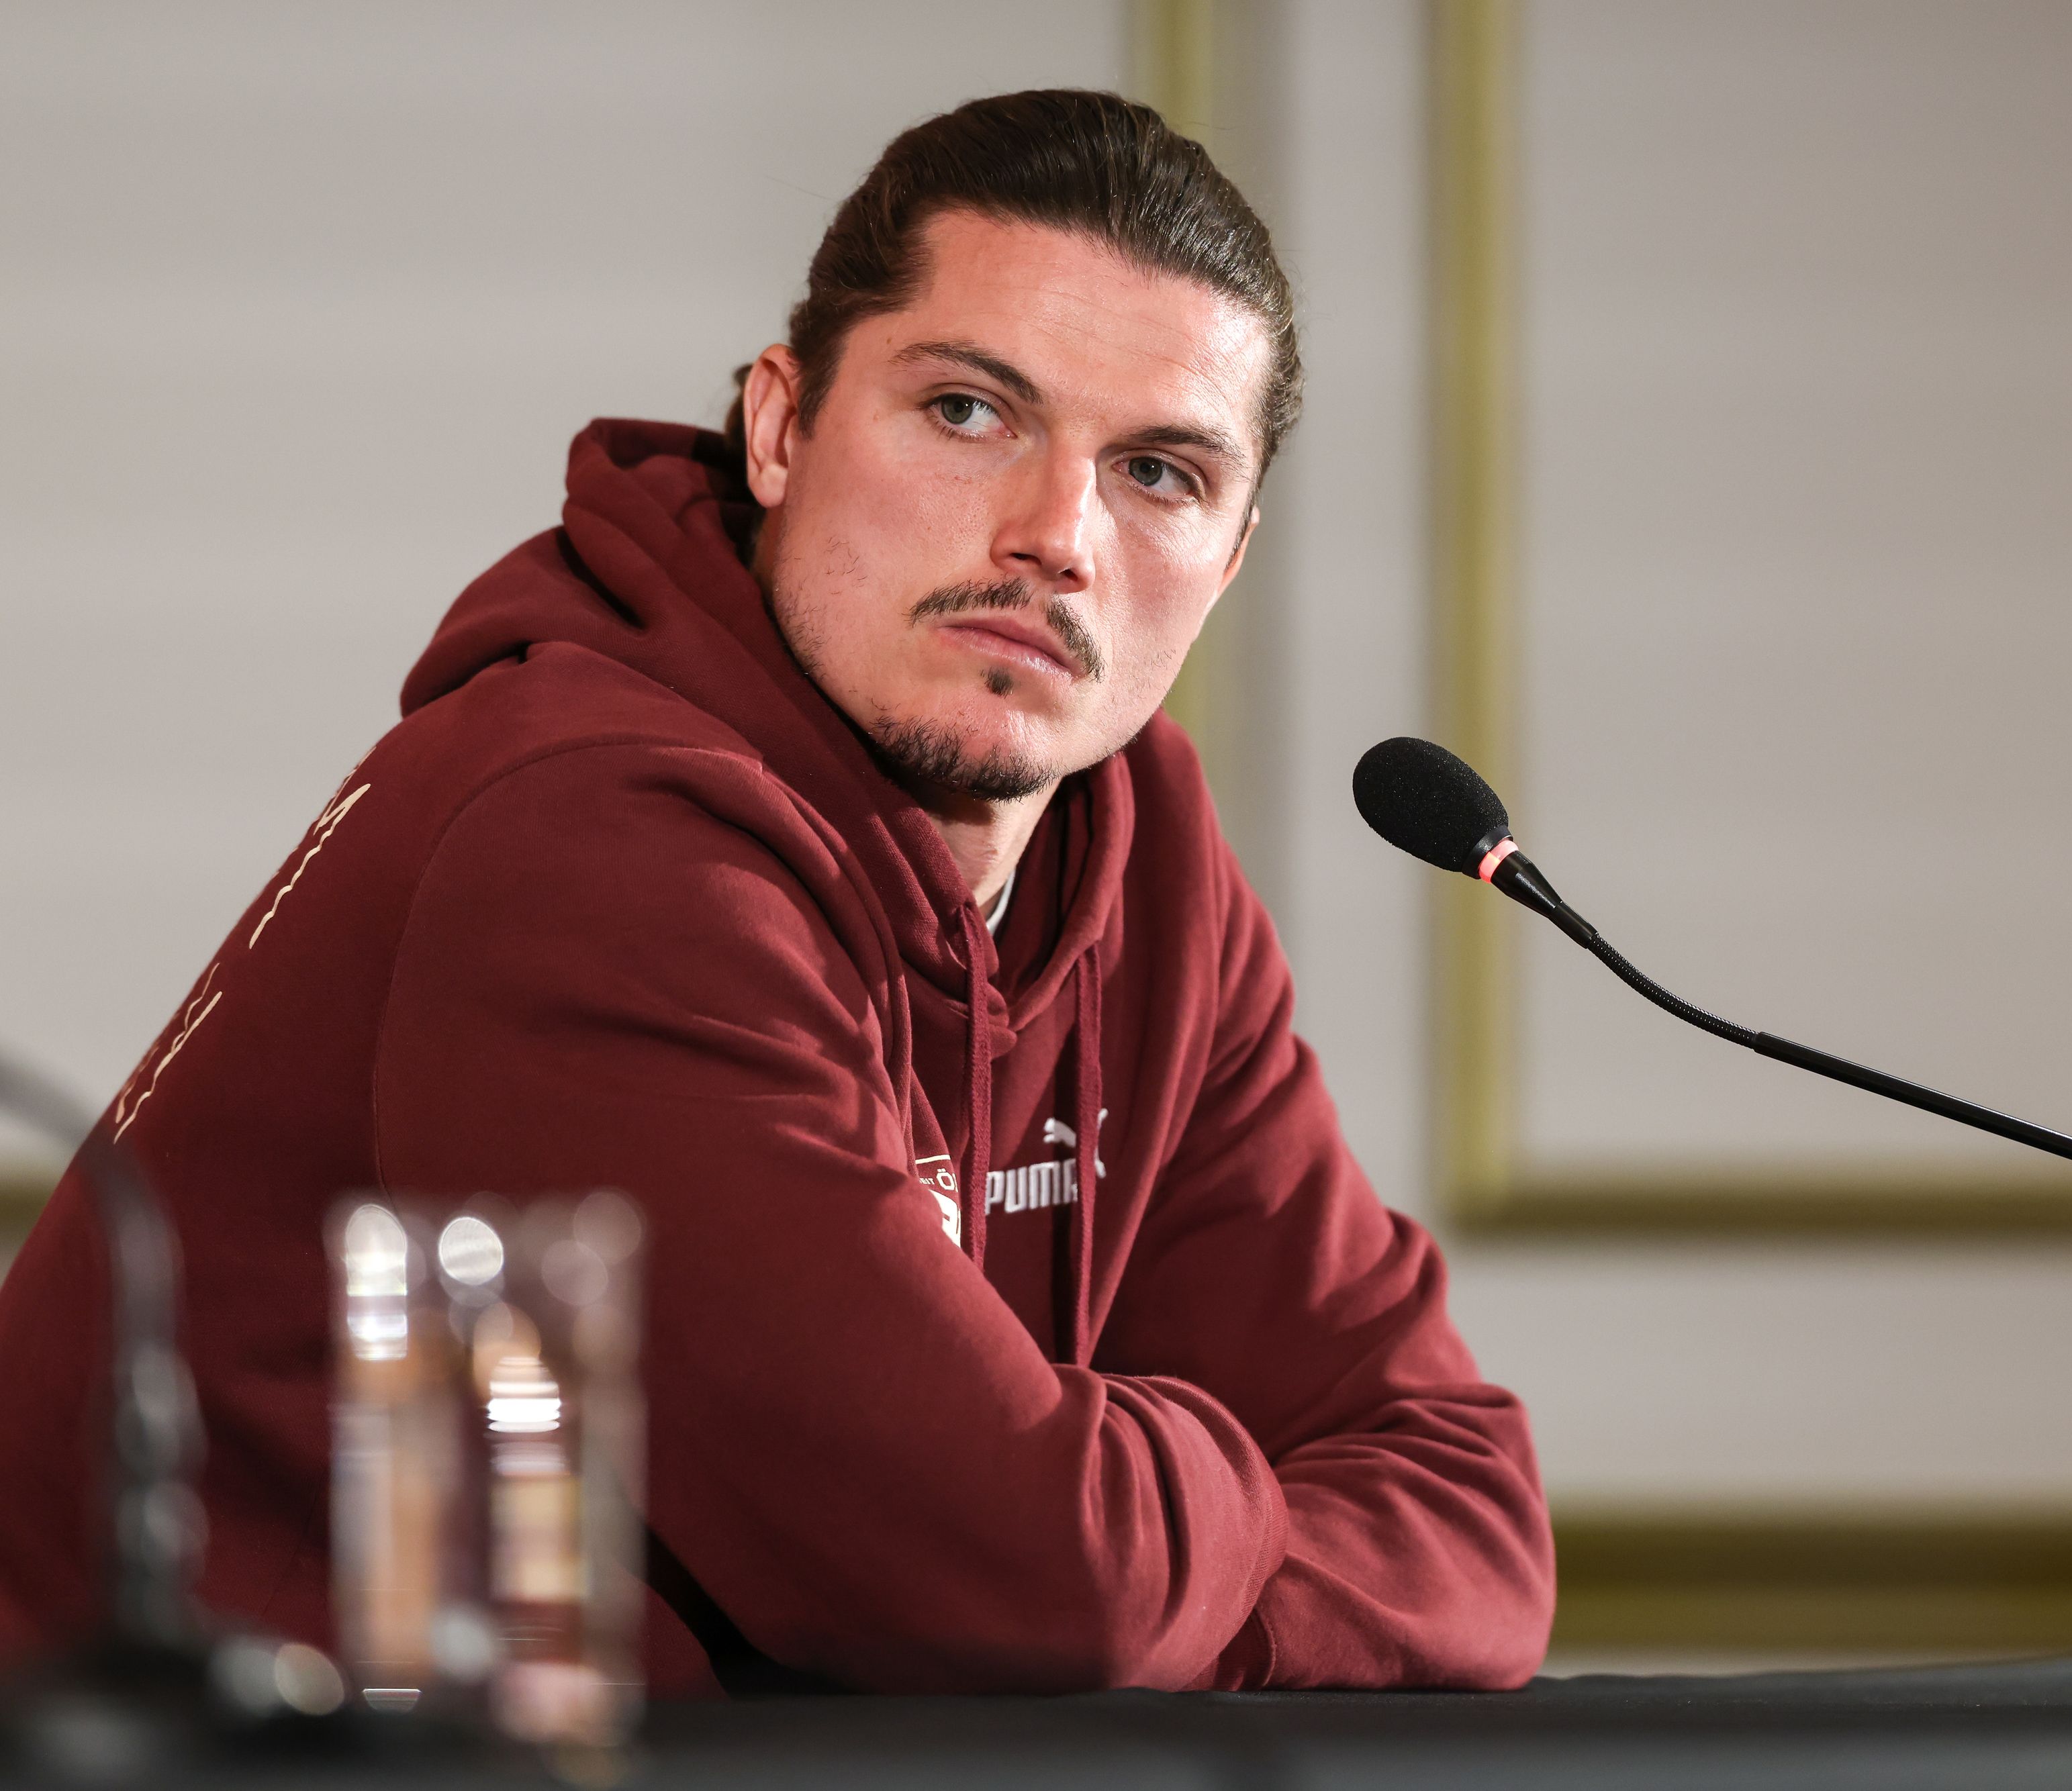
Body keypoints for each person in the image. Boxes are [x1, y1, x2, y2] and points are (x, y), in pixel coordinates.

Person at [0, 89, 1552, 1694]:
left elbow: (1470, 1513)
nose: (1054, 537)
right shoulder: (583, 842)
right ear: (779, 427)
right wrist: (1210, 1507)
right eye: (967, 412)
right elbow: (1014, 1588)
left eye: (1157, 472)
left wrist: (1135, 1537)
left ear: (1226, 565)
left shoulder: (1138, 842)